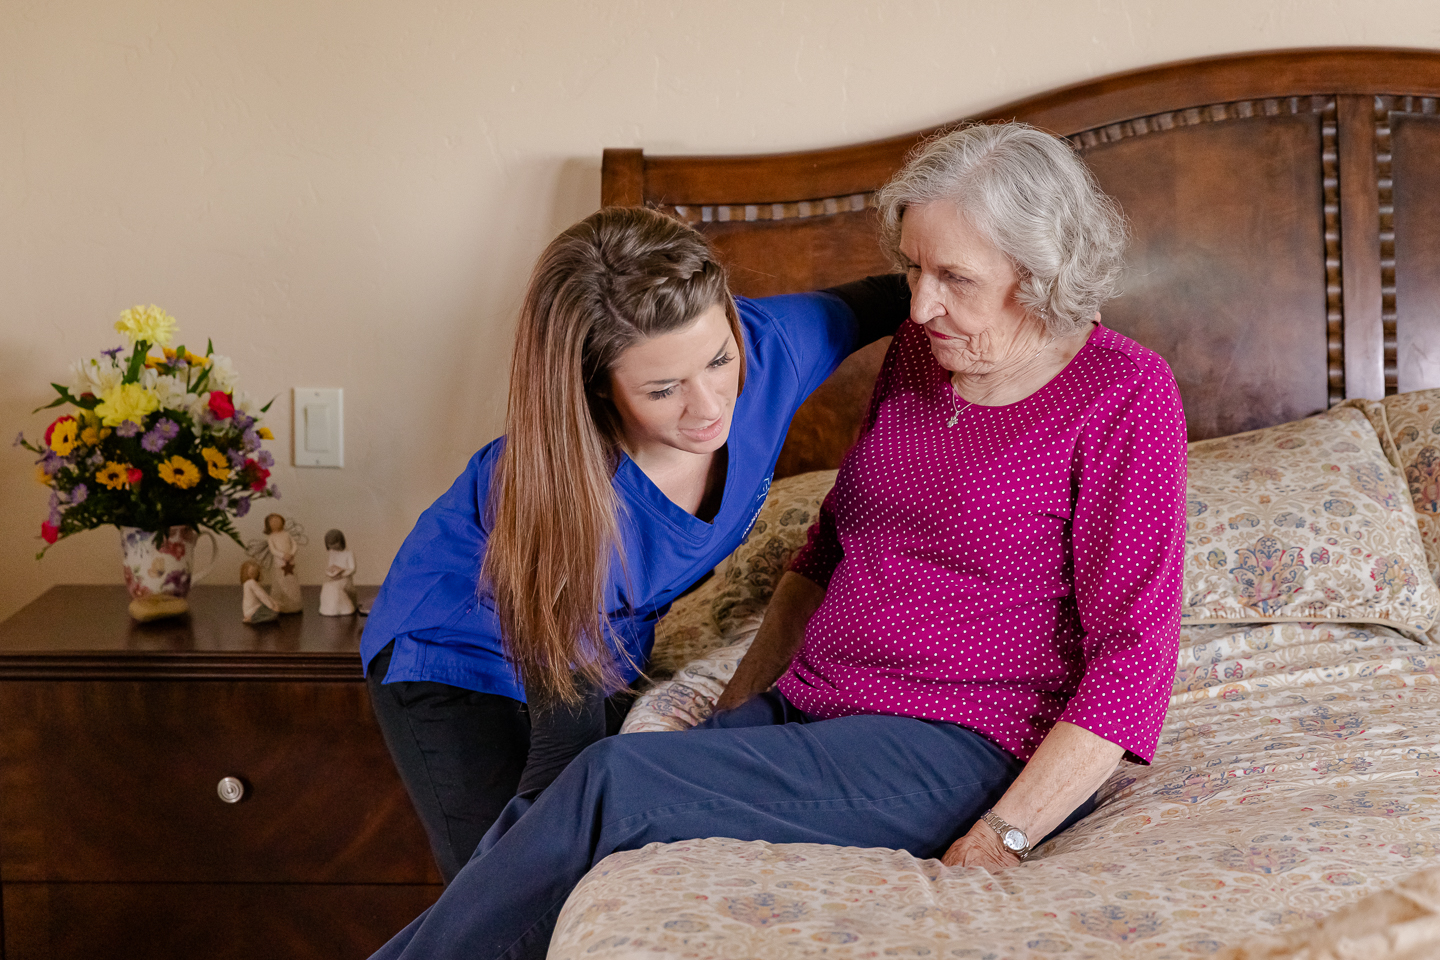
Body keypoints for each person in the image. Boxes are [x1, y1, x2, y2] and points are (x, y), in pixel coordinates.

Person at [366, 122, 1188, 960]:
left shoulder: (1124, 394)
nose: (918, 303)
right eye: (911, 268)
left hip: (965, 735)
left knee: (612, 781)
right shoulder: (921, 351)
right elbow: (825, 553)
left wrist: (1002, 838)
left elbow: (1136, 657)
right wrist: (732, 717)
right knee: (589, 790)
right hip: (814, 710)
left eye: (953, 277)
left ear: (1039, 273)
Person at [361, 206, 910, 883]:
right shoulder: (563, 502)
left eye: (718, 359)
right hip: (456, 649)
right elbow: (562, 759)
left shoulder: (773, 350)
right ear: (597, 389)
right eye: (662, 389)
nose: (710, 405)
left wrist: (1054, 334)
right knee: (511, 888)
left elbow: (905, 296)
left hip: (607, 642)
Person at [319, 528, 357, 616]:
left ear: (341, 542)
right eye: (330, 544)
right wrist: (331, 573)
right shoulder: (332, 553)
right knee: (327, 586)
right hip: (335, 578)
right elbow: (330, 566)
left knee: (334, 588)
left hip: (345, 579)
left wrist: (342, 574)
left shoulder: (349, 553)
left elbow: (352, 568)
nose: (332, 546)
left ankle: (344, 608)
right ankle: (329, 609)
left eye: (334, 543)